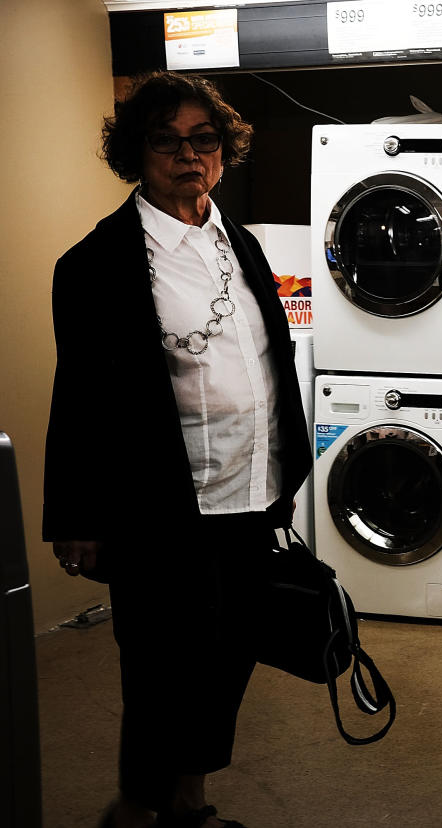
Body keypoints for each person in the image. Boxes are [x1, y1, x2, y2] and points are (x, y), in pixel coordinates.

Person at [43, 72, 311, 828]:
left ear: (223, 152)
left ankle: (189, 804)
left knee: (227, 660)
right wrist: (77, 516)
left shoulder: (243, 245)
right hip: (161, 504)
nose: (188, 155)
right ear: (137, 153)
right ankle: (135, 810)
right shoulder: (96, 265)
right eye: (167, 140)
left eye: (204, 139)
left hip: (253, 496)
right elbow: (80, 401)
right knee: (162, 667)